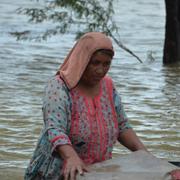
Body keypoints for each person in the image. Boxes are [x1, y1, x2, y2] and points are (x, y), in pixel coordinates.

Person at [24, 32, 147, 180]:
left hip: (96, 172)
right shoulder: (60, 86)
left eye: (106, 63)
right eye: (95, 63)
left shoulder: (108, 86)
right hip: (55, 173)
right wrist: (71, 158)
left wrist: (143, 154)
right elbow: (55, 129)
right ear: (83, 60)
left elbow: (122, 126)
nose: (101, 70)